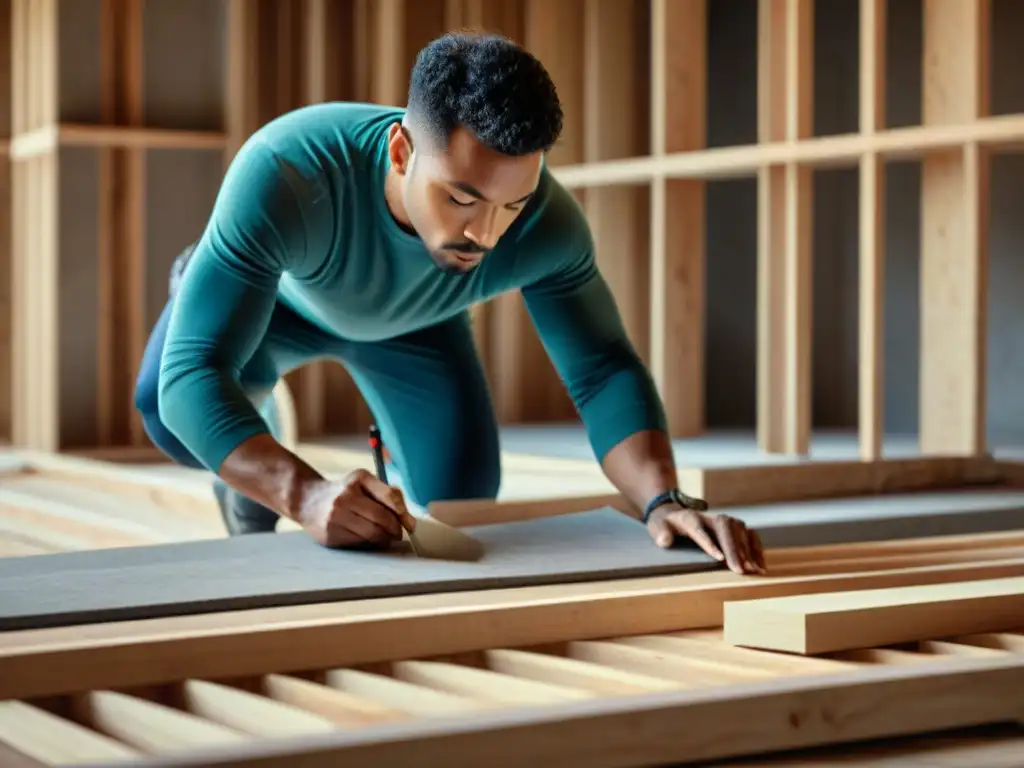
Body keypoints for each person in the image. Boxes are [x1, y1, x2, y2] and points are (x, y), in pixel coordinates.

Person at [133, 31, 767, 575]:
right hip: (277, 305)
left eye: (510, 206)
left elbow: (602, 368)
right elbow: (190, 378)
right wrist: (302, 494)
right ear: (401, 152)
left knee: (462, 502)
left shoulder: (549, 227)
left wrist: (664, 501)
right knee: (170, 415)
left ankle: (260, 451)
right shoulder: (288, 170)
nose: (484, 236)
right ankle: (233, 375)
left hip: (418, 324)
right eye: (462, 199)